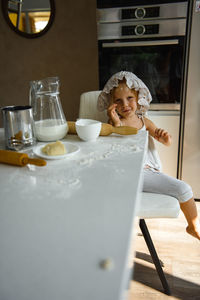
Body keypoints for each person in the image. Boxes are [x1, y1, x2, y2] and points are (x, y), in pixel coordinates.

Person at [97, 71, 200, 241]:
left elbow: (166, 142)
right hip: (128, 174)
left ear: (138, 98)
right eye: (118, 101)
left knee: (184, 189)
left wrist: (165, 138)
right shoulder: (114, 124)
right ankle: (193, 226)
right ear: (112, 105)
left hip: (147, 173)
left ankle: (193, 226)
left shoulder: (145, 122)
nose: (125, 104)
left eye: (130, 98)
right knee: (184, 189)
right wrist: (115, 123)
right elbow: (113, 149)